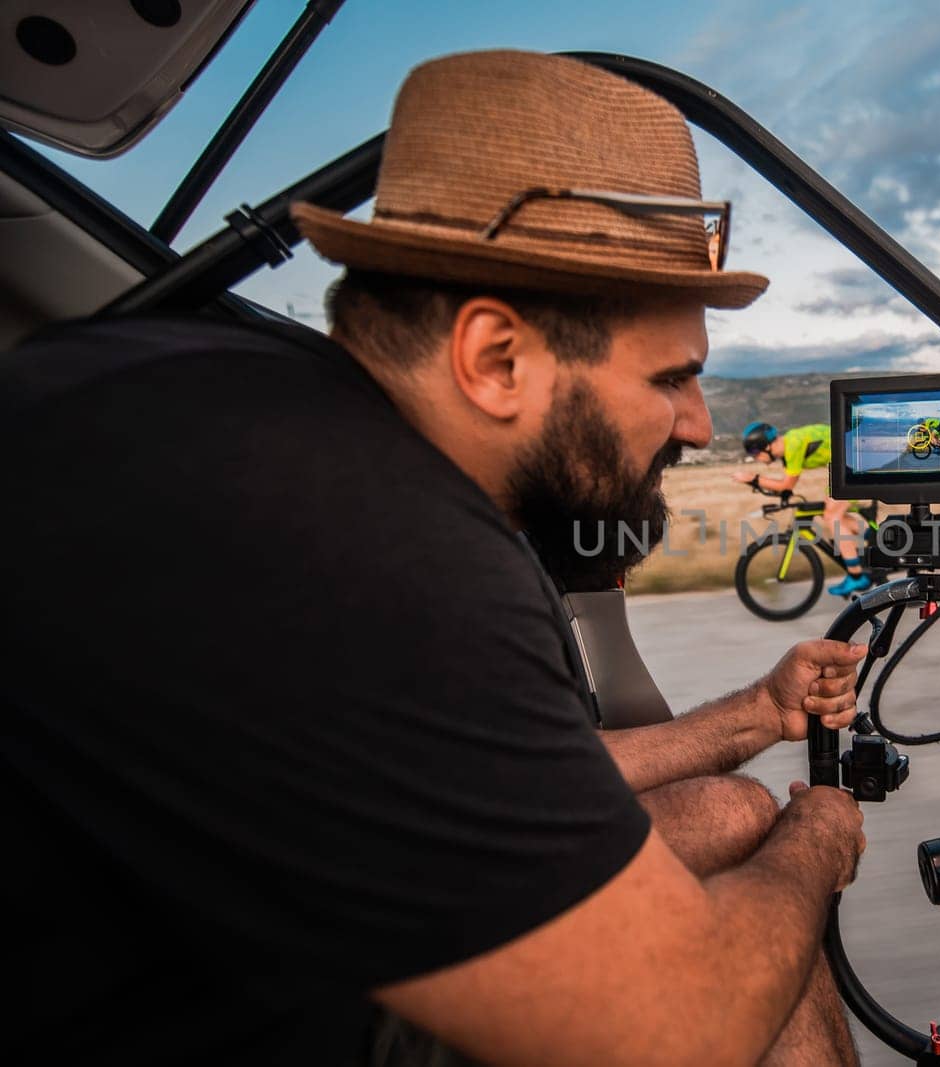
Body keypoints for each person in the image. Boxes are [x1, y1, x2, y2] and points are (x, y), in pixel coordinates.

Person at [2, 51, 868, 1067]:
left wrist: (756, 717)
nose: (695, 423)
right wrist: (822, 840)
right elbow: (673, 1030)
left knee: (733, 806)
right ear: (496, 359)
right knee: (765, 880)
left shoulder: (219, 400)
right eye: (671, 376)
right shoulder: (371, 538)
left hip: (210, 941)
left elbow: (487, 762)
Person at [734, 421, 871, 596]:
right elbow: (787, 489)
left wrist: (753, 478)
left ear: (766, 446)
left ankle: (857, 576)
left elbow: (785, 485)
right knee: (829, 512)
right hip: (848, 465)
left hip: (855, 464)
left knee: (832, 516)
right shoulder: (788, 449)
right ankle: (874, 538)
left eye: (754, 452)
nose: (755, 458)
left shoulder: (793, 445)